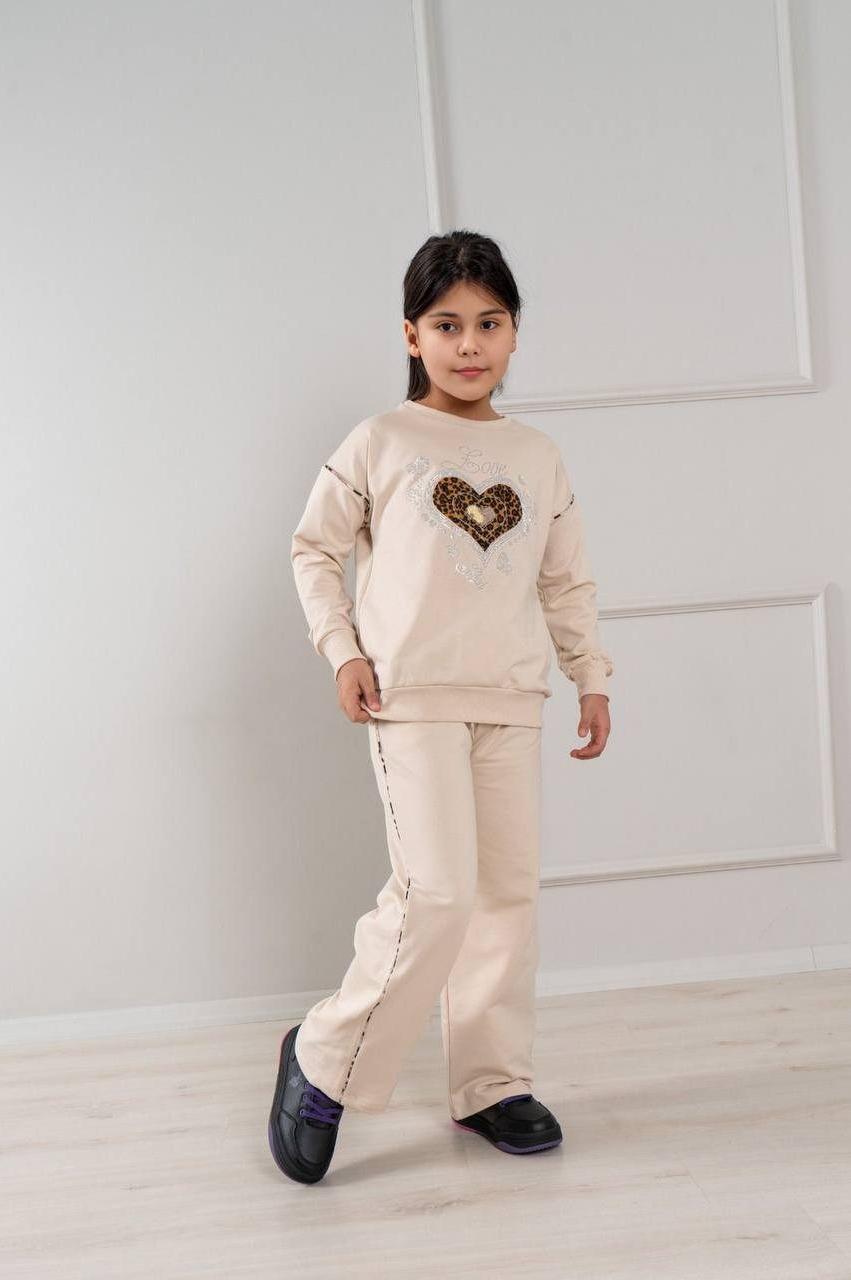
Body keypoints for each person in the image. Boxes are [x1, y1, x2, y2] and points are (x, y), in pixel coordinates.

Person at [268, 229, 614, 1185]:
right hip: (410, 697)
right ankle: (322, 1059)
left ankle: (491, 1084)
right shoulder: (381, 441)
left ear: (516, 333)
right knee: (438, 893)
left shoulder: (537, 455)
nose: (470, 344)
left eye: (489, 324)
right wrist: (342, 649)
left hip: (511, 697)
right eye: (448, 325)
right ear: (411, 336)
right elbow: (313, 549)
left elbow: (565, 580)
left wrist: (590, 676)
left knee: (504, 896)